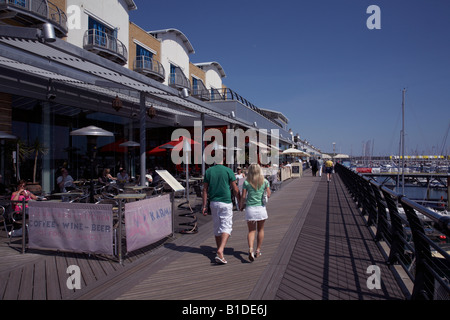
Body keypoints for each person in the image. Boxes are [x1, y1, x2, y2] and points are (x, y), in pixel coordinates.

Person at [202, 162, 241, 265]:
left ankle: (220, 251)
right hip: (226, 202)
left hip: (213, 202)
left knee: (217, 226)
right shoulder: (228, 171)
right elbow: (235, 189)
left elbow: (205, 189)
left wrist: (204, 205)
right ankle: (220, 250)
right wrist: (240, 201)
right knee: (227, 227)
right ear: (223, 159)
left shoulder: (208, 171)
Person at [239, 164, 271, 262]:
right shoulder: (265, 182)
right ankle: (258, 250)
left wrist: (241, 205)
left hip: (250, 209)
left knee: (251, 231)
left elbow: (243, 196)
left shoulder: (247, 182)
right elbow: (268, 195)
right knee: (260, 230)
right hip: (261, 208)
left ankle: (250, 249)